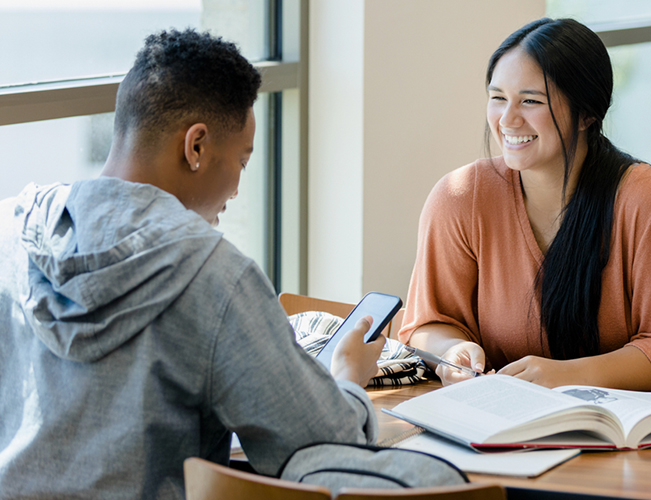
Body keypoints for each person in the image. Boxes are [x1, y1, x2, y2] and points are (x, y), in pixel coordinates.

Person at [0, 29, 385, 499]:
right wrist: (347, 380)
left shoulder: (11, 230)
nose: (238, 189)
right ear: (196, 146)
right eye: (242, 162)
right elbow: (327, 447)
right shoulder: (213, 274)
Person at [398, 18, 651, 390]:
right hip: (516, 425)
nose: (508, 119)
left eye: (530, 101)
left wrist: (566, 376)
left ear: (587, 114)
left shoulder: (648, 204)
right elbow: (428, 322)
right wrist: (453, 351)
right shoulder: (460, 198)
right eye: (498, 98)